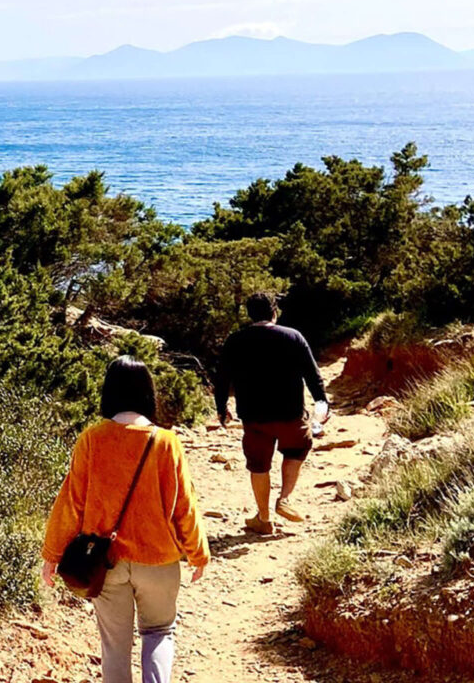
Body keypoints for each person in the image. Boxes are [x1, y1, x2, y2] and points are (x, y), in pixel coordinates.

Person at [41, 356, 210, 683]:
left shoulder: (92, 439)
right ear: (147, 393)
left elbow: (72, 502)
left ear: (109, 392)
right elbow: (184, 506)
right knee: (159, 631)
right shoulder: (167, 443)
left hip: (106, 563)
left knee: (115, 647)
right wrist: (198, 552)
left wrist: (52, 554)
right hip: (159, 562)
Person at [214, 292, 330, 535]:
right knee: (297, 449)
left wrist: (221, 407)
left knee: (258, 465)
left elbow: (222, 378)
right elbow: (312, 374)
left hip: (254, 417)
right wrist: (322, 401)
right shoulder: (293, 336)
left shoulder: (235, 341)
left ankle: (264, 518)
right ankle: (284, 498)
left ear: (249, 314)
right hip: (291, 413)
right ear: (274, 312)